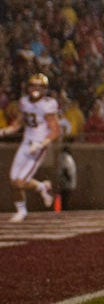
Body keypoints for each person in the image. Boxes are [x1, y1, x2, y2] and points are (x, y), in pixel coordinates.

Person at [2, 73, 60, 221]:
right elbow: (17, 125)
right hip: (25, 143)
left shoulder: (47, 104)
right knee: (13, 180)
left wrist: (41, 144)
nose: (35, 89)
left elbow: (55, 131)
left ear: (45, 89)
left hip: (38, 145)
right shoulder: (24, 102)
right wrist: (2, 131)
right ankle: (40, 190)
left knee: (20, 181)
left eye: (39, 86)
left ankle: (23, 211)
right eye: (33, 85)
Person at [57, 142, 77, 210]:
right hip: (66, 181)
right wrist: (68, 178)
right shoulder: (65, 157)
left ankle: (65, 209)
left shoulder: (66, 157)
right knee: (65, 198)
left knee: (65, 197)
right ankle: (65, 210)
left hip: (66, 180)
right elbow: (66, 168)